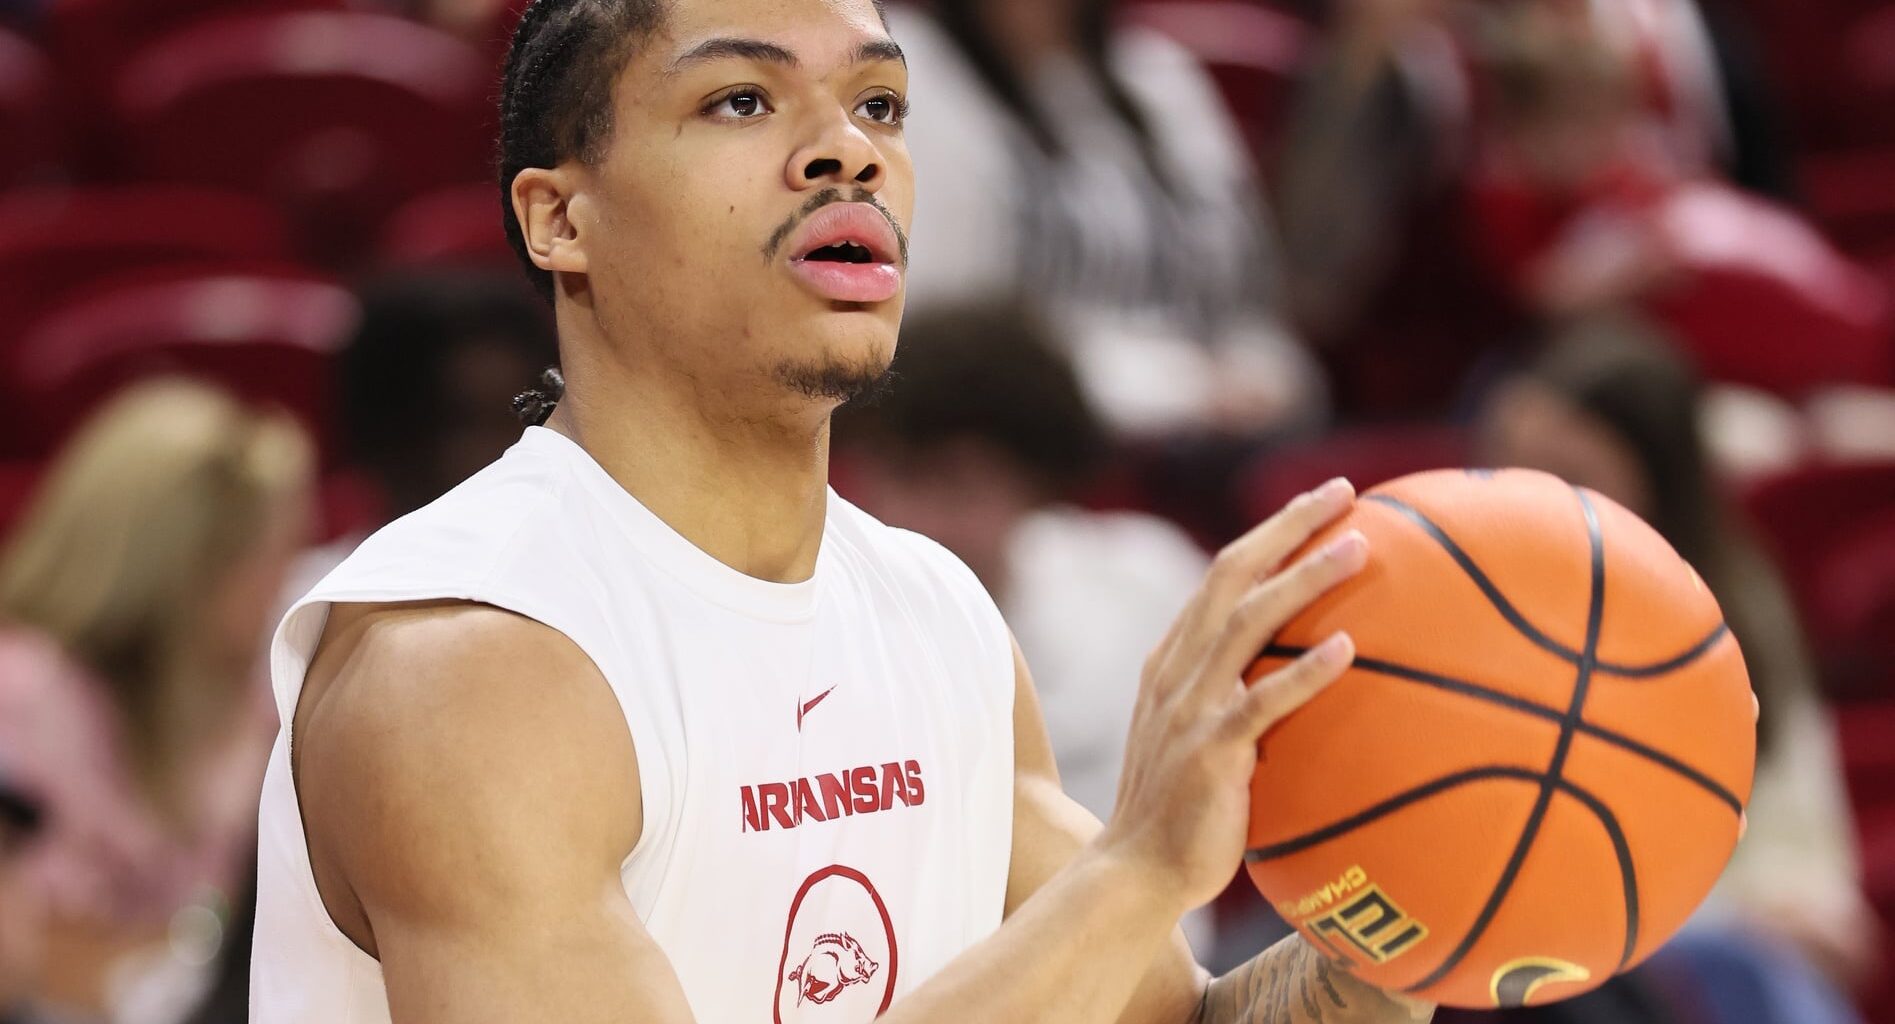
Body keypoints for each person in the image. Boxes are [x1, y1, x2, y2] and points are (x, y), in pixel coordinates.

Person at [249, 2, 1433, 1022]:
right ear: (562, 219)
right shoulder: (467, 661)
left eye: (878, 106)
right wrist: (1132, 869)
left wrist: (1436, 900)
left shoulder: (938, 615)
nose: (845, 154)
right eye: (740, 102)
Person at [1479, 315, 1879, 1000]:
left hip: (1705, 933)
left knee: (1766, 969)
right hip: (1540, 938)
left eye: (1575, 475)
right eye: (1523, 470)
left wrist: (1802, 906)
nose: (1546, 500)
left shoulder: (1737, 603)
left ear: (1657, 484)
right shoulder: (1469, 601)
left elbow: (1797, 818)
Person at [0, 379, 315, 1023]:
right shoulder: (24, 691)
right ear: (189, 562)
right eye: (274, 553)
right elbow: (36, 957)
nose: (289, 577)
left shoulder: (260, 698)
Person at [884, 0, 1324, 437]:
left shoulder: (1157, 71)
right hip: (1025, 434)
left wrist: (1260, 373)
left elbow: (1248, 293)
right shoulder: (912, 67)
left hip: (1214, 426)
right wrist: (1176, 389)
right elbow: (943, 335)